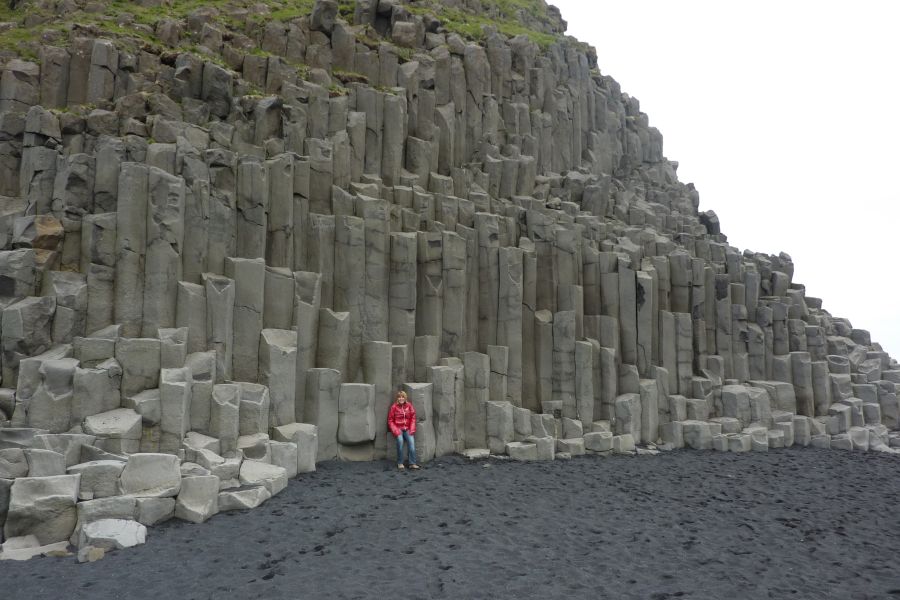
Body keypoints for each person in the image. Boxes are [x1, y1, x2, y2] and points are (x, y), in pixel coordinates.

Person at [387, 390, 420, 470]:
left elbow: (413, 417)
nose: (401, 398)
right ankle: (400, 463)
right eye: (399, 397)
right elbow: (390, 420)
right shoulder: (394, 407)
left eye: (403, 397)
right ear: (397, 398)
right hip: (398, 428)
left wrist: (412, 428)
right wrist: (396, 430)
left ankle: (412, 463)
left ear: (405, 398)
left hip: (408, 428)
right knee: (400, 441)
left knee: (411, 444)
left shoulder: (409, 405)